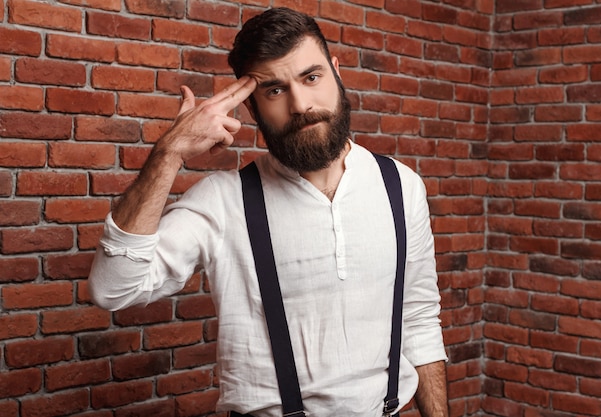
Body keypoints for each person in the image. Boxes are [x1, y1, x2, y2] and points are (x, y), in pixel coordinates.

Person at [88, 7, 448, 417]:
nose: (300, 104)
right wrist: (167, 155)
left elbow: (419, 321)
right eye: (275, 90)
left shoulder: (400, 185)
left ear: (336, 72)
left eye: (312, 78)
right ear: (253, 109)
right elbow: (112, 289)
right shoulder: (224, 200)